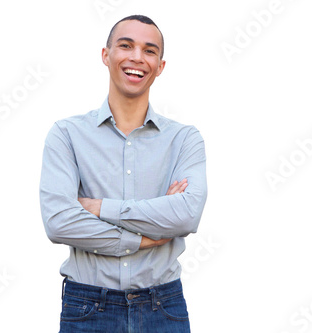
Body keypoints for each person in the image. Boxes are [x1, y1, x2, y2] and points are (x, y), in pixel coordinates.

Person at [39, 14, 207, 332]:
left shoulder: (184, 139)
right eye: (126, 45)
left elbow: (186, 216)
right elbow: (59, 222)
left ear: (160, 66)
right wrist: (143, 239)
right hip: (88, 308)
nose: (136, 58)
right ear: (106, 55)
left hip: (163, 308)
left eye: (149, 50)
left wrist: (98, 207)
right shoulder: (67, 134)